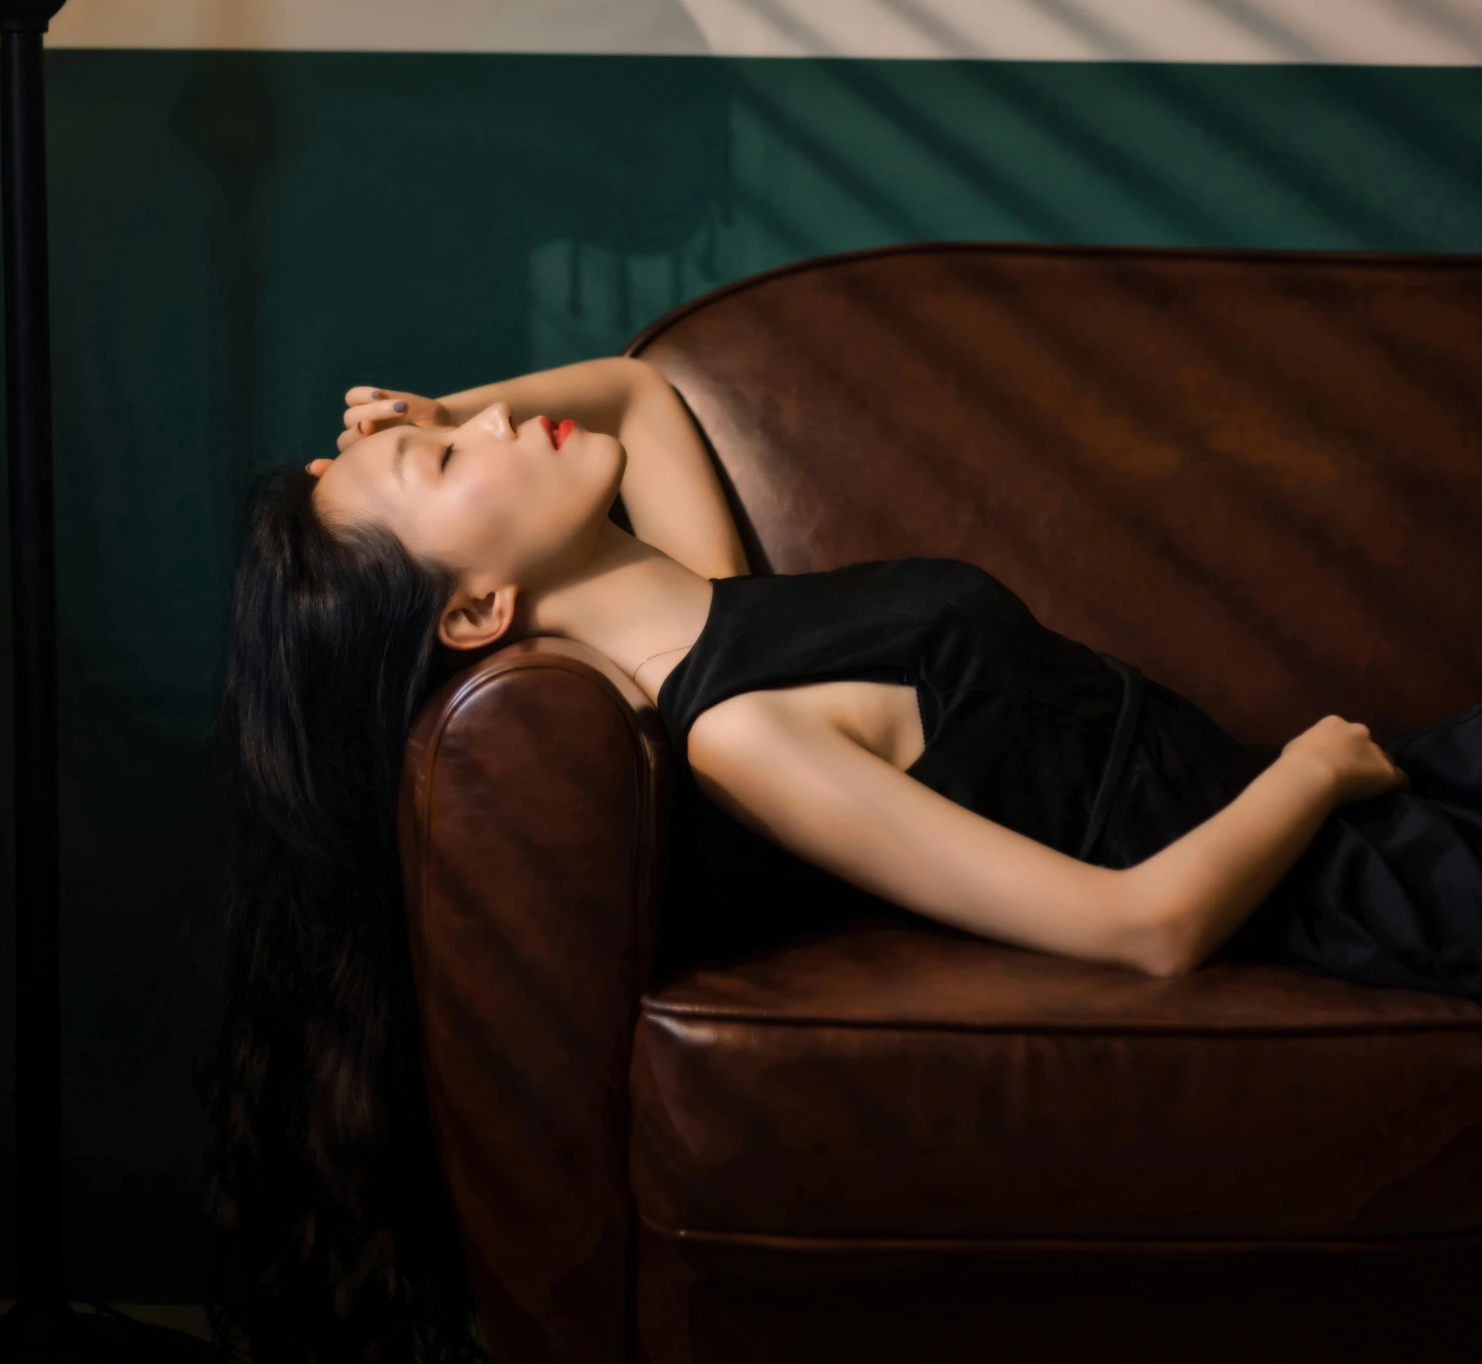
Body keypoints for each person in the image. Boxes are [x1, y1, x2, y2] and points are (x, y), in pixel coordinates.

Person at [210, 353, 1482, 1363]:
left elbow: (638, 392)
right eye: (445, 458)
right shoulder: (741, 736)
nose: (492, 424)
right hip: (1346, 877)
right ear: (479, 609)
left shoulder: (705, 596)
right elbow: (1142, 928)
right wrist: (1313, 769)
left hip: (1378, 801)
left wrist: (444, 407)